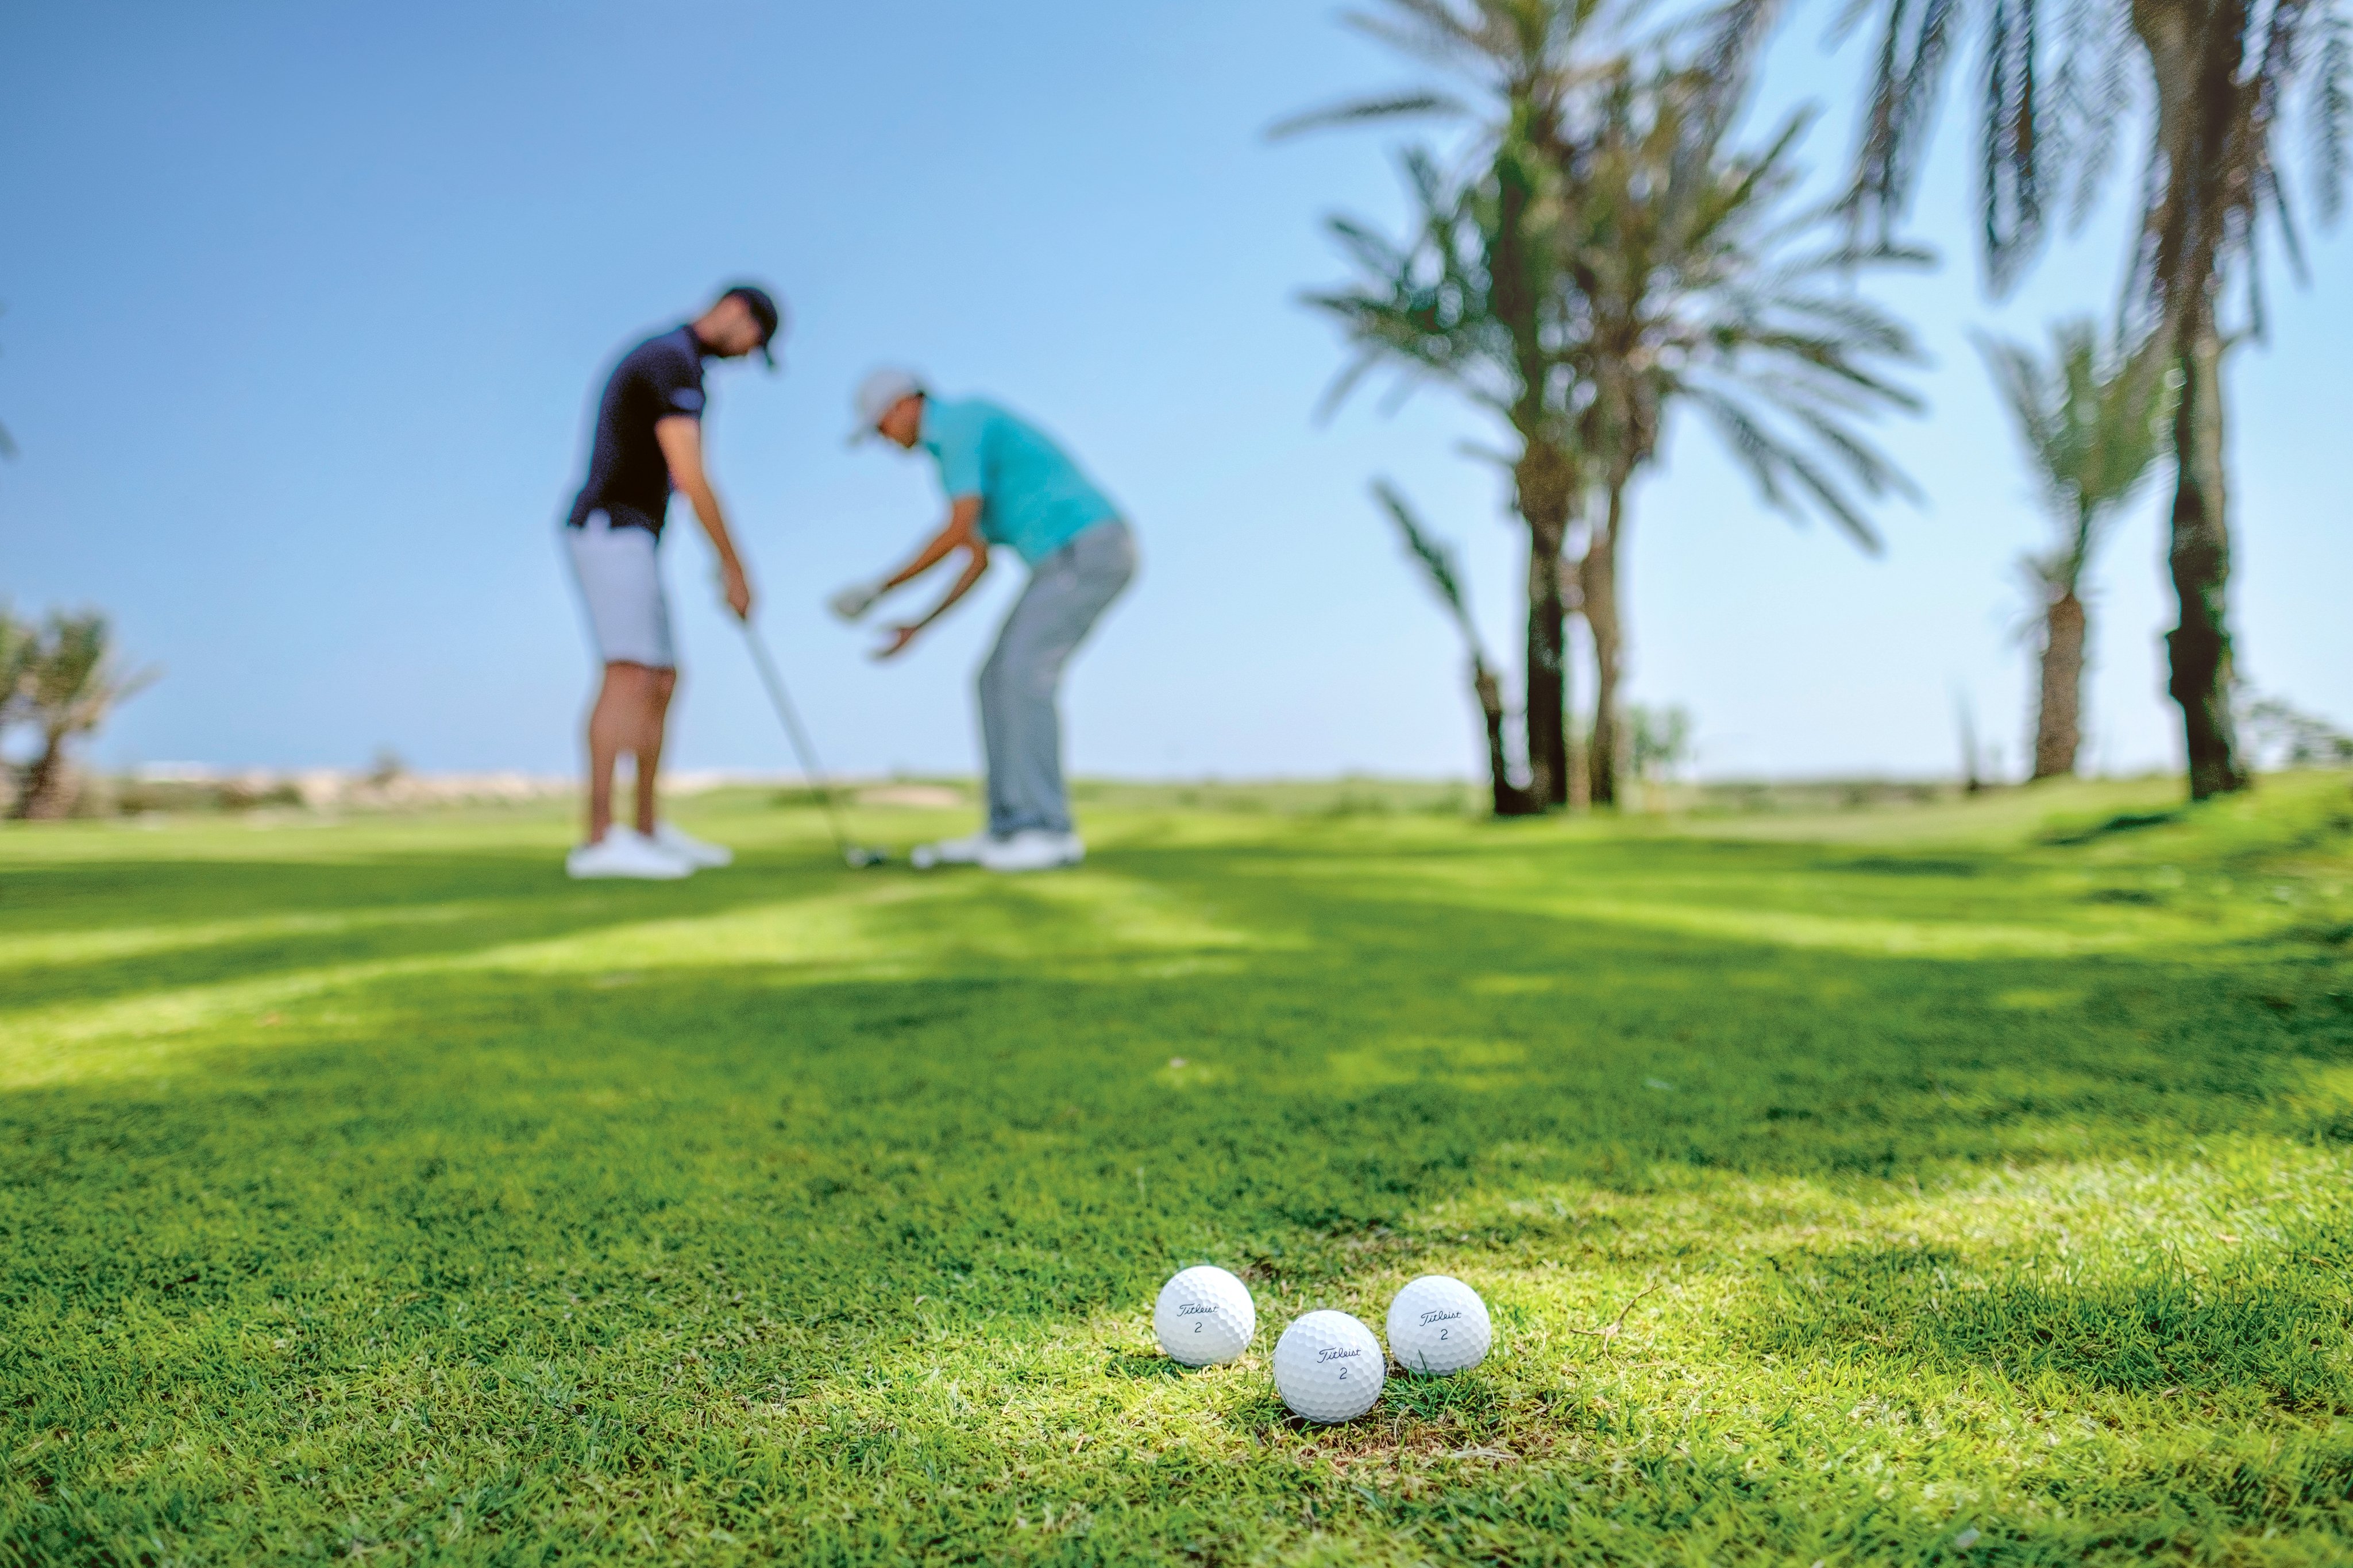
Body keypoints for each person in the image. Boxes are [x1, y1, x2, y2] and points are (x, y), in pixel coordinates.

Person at [831, 370, 1137, 873]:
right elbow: (975, 559)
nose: (885, 440)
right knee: (992, 679)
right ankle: (1009, 827)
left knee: (1023, 673)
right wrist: (918, 625)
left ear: (904, 403)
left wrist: (877, 589)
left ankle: (1047, 829)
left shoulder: (958, 424)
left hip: (1087, 548)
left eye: (880, 426)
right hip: (1063, 559)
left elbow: (954, 531)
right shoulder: (950, 452)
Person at [560, 284, 781, 879]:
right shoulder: (670, 360)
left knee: (661, 678)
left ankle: (647, 831)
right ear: (735, 312)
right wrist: (734, 565)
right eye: (750, 345)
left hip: (637, 537)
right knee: (628, 672)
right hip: (610, 528)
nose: (743, 358)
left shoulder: (681, 364)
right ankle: (601, 839)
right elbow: (689, 473)